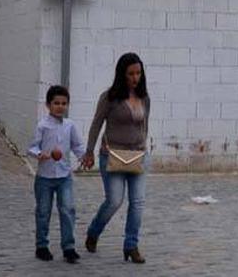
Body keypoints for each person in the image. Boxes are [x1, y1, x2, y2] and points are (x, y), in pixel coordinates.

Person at [81, 52, 151, 264]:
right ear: (122, 74)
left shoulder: (144, 97)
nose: (135, 77)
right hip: (112, 156)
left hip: (137, 155)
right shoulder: (109, 97)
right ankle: (93, 232)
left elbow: (144, 125)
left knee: (138, 202)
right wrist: (89, 151)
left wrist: (143, 146)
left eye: (138, 73)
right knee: (114, 201)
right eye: (130, 73)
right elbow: (96, 124)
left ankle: (131, 246)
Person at [27, 85, 87, 264]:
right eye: (56, 103)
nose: (60, 106)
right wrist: (40, 154)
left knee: (67, 210)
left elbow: (77, 145)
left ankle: (68, 247)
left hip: (64, 177)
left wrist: (84, 158)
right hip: (44, 177)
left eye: (64, 103)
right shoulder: (42, 125)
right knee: (43, 211)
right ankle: (41, 246)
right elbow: (31, 147)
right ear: (48, 105)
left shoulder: (70, 125)